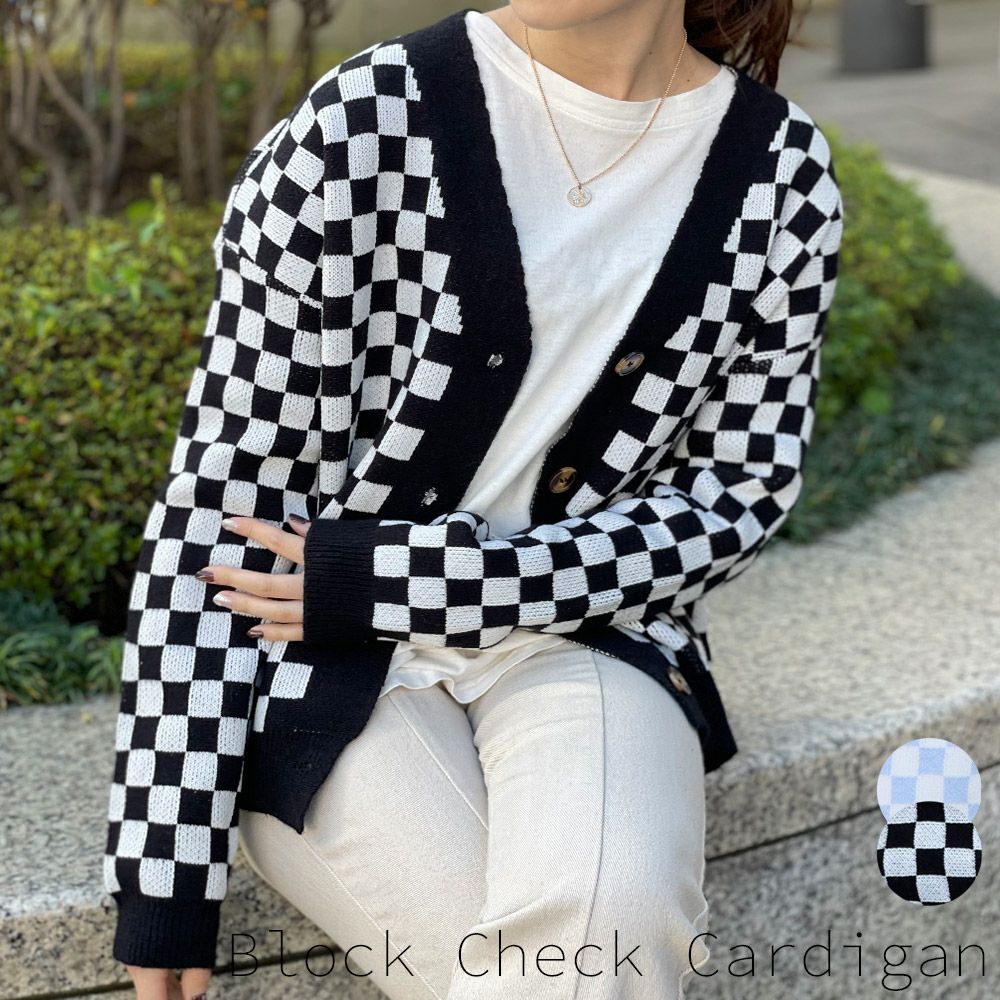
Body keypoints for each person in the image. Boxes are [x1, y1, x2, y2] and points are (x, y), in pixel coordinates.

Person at [105, 2, 843, 998]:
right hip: (321, 654)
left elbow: (732, 496)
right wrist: (163, 869)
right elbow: (221, 500)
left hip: (587, 630)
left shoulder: (779, 170)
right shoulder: (364, 121)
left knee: (617, 913)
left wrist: (434, 581)